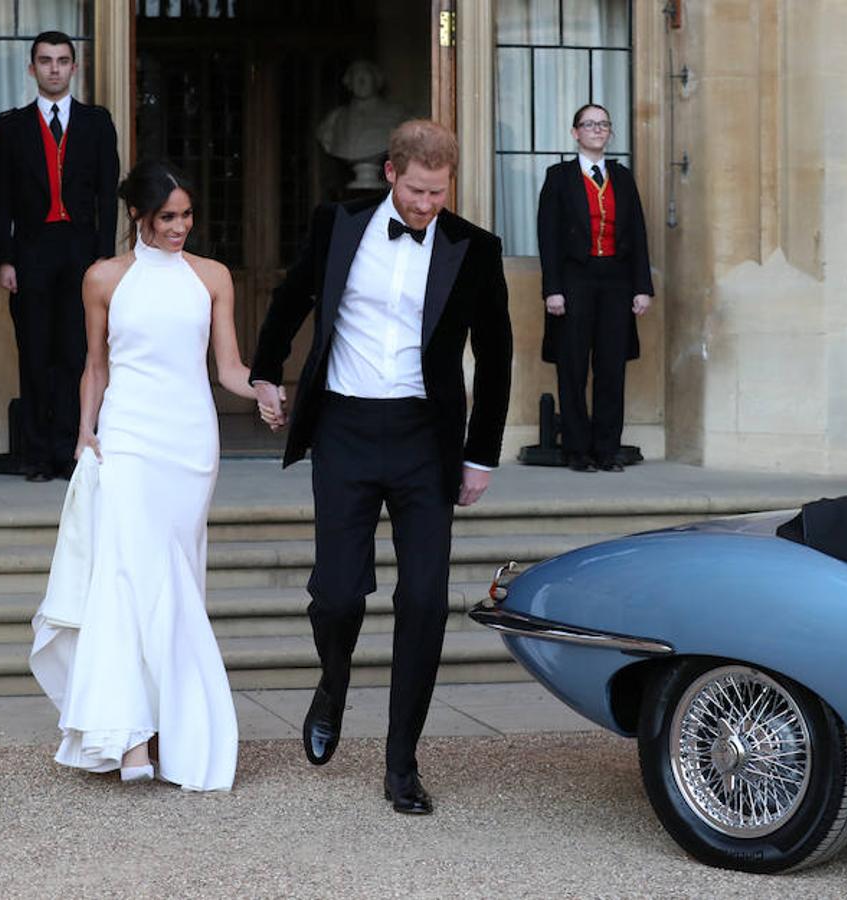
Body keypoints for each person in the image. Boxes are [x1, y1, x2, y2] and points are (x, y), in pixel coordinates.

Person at [250, 119, 512, 815]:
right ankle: (333, 682)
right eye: (419, 189)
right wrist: (266, 373)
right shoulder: (338, 223)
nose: (428, 204)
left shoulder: (475, 249)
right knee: (337, 595)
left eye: (439, 191)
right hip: (344, 429)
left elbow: (497, 352)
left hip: (426, 440)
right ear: (392, 172)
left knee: (423, 601)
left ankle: (402, 764)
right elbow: (293, 294)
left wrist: (480, 454)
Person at [29, 160, 259, 790]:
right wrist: (84, 431)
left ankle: (165, 730)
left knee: (175, 578)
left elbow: (229, 367)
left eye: (187, 216)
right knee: (126, 575)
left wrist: (263, 387)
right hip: (126, 437)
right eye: (167, 217)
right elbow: (95, 366)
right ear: (138, 216)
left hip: (189, 442)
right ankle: (128, 734)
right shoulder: (103, 278)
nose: (180, 227)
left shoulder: (211, 277)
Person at [0, 30, 120, 482]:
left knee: (77, 351)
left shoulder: (97, 123)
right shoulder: (11, 126)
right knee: (35, 352)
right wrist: (5, 259)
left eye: (62, 61)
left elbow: (109, 195)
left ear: (74, 67)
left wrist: (105, 258)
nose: (54, 69)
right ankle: (38, 454)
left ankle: (71, 448)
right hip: (31, 252)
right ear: (32, 69)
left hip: (83, 254)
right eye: (45, 61)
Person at [537, 103, 654, 473]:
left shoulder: (621, 177)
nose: (597, 130)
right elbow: (548, 237)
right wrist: (552, 289)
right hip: (574, 280)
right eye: (589, 124)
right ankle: (576, 450)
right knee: (572, 366)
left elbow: (637, 233)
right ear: (576, 133)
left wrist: (642, 287)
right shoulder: (558, 176)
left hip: (616, 281)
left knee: (612, 366)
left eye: (604, 124)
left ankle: (606, 449)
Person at [316, 60, 406, 189]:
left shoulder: (397, 114)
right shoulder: (334, 119)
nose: (361, 80)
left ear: (376, 80)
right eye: (356, 75)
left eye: (366, 74)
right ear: (349, 83)